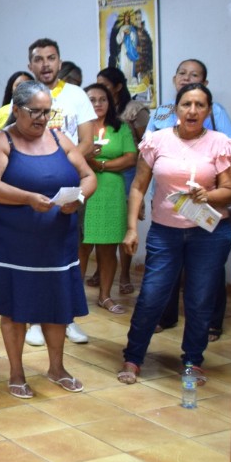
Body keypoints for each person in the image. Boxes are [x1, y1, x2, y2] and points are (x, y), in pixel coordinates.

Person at [0, 81, 96, 399]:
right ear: (16, 110)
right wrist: (28, 198)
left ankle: (56, 368)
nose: (42, 119)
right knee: (15, 309)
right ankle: (16, 373)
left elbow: (88, 175)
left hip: (57, 242)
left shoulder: (59, 137)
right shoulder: (2, 142)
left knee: (58, 307)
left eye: (47, 112)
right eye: (35, 112)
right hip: (15, 244)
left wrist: (79, 198)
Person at [118, 82, 231, 386]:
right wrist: (132, 228)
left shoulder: (220, 142)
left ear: (208, 111)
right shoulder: (156, 141)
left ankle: (193, 362)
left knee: (199, 299)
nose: (193, 111)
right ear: (176, 110)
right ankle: (133, 358)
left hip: (209, 234)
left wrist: (206, 196)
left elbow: (230, 192)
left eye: (200, 105)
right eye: (186, 104)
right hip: (165, 233)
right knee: (152, 296)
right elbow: (138, 186)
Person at [144, 58, 231, 339]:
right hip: (167, 199)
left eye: (194, 74)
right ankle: (166, 315)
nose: (187, 78)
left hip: (204, 202)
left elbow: (230, 149)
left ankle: (211, 322)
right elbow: (148, 153)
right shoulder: (161, 112)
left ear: (205, 84)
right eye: (182, 74)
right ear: (175, 81)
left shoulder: (215, 111)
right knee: (165, 267)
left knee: (208, 271)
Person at [24, 39, 97, 347]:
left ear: (59, 60)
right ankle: (33, 321)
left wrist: (62, 168)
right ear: (30, 66)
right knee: (32, 255)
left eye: (51, 58)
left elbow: (88, 140)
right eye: (39, 59)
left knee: (68, 255)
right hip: (31, 187)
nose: (46, 64)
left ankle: (66, 319)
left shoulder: (76, 95)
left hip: (67, 186)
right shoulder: (24, 95)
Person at [78, 83, 136, 316]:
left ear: (110, 102)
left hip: (111, 189)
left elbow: (131, 158)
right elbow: (71, 154)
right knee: (81, 246)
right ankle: (75, 296)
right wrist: (88, 160)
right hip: (84, 187)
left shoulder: (119, 127)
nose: (98, 104)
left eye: (102, 99)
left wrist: (101, 164)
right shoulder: (79, 127)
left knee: (108, 247)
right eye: (92, 100)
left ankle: (105, 296)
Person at [92, 66, 150, 295]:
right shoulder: (92, 116)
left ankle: (125, 273)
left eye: (105, 86)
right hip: (96, 177)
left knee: (125, 225)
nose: (99, 96)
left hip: (127, 174)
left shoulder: (134, 109)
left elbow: (144, 146)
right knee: (96, 228)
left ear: (117, 87)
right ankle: (99, 272)